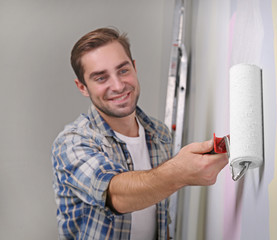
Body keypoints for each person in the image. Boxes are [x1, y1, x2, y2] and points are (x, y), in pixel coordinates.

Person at [51, 27, 228, 240]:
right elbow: (117, 195)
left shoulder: (159, 134)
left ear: (134, 68)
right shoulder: (71, 142)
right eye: (101, 78)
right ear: (82, 87)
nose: (117, 85)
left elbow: (157, 218)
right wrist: (180, 172)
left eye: (123, 70)